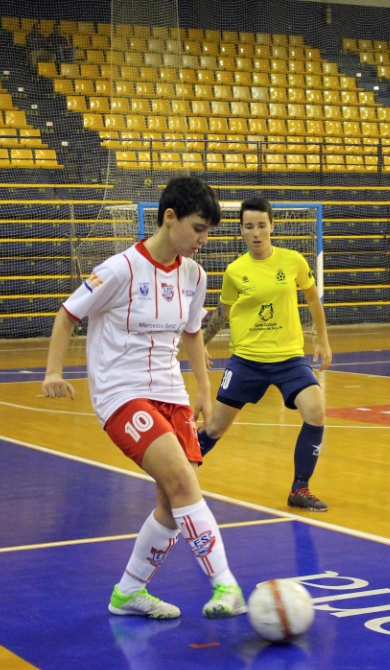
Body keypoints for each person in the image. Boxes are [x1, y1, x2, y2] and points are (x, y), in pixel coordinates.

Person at [42, 177, 247, 621]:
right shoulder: (119, 269)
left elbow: (192, 334)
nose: (203, 240)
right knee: (181, 483)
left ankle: (128, 592)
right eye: (197, 228)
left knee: (172, 507)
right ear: (169, 218)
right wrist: (54, 372)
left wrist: (203, 390)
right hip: (122, 393)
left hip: (170, 393)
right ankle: (226, 583)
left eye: (208, 231)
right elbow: (67, 314)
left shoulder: (195, 275)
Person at [196, 197, 333, 512]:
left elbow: (313, 300)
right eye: (248, 227)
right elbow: (222, 312)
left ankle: (300, 488)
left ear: (272, 226)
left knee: (316, 411)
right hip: (247, 361)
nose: (256, 233)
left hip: (289, 358)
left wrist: (322, 339)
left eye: (261, 225)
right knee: (214, 428)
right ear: (241, 230)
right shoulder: (235, 271)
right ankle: (177, 473)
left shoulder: (293, 261)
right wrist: (202, 341)